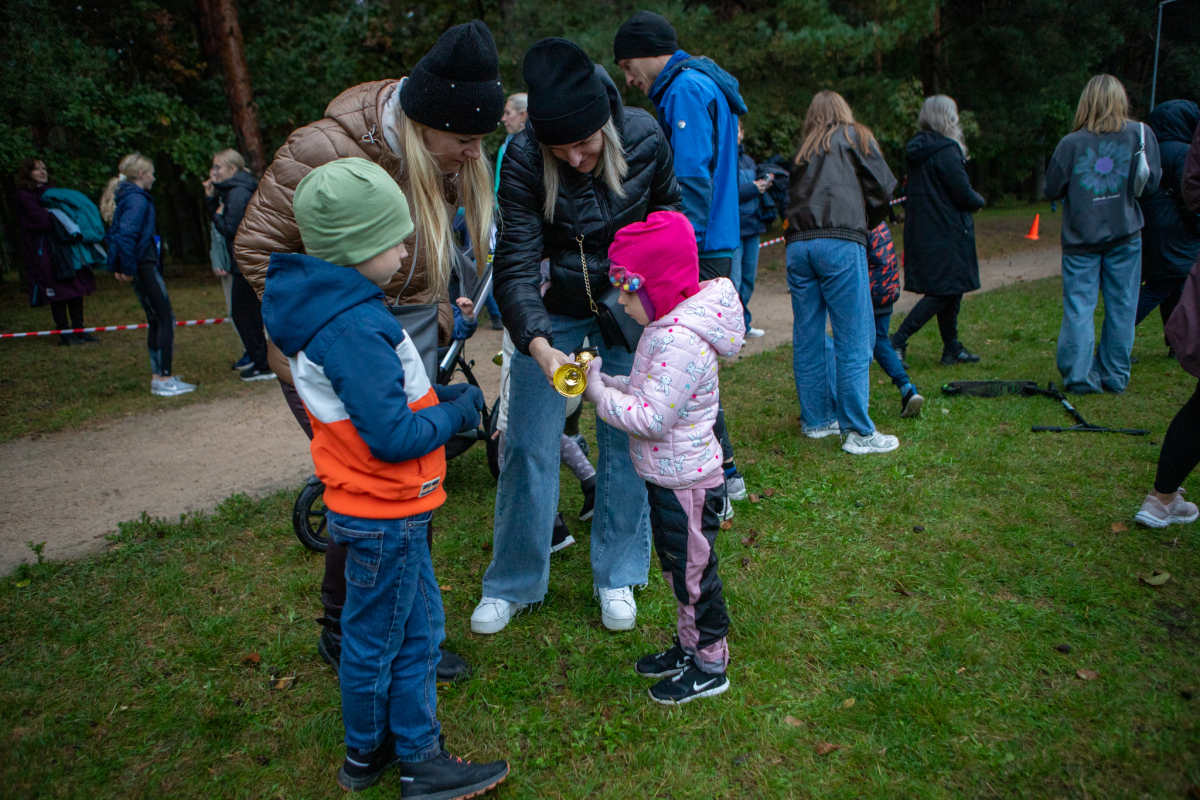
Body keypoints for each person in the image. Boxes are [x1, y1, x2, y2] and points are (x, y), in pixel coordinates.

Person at [236, 20, 505, 684]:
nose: (475, 156)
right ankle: (349, 628)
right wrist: (341, 331)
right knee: (367, 497)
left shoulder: (439, 155)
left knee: (410, 487)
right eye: (466, 140)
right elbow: (257, 248)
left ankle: (405, 630)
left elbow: (421, 256)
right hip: (342, 343)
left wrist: (433, 312)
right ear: (425, 123)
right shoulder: (323, 149)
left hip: (400, 329)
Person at [262, 159, 508, 797]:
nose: (405, 251)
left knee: (402, 630)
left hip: (378, 509)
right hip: (385, 514)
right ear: (357, 248)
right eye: (395, 240)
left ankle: (369, 753)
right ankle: (415, 759)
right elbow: (394, 436)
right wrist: (455, 409)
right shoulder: (352, 329)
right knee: (391, 638)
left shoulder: (340, 309)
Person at [472, 37, 681, 635]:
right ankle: (512, 582)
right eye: (558, 149)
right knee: (529, 443)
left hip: (627, 307)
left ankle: (617, 574)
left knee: (624, 444)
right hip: (556, 315)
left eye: (584, 145)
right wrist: (537, 345)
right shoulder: (520, 157)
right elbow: (514, 263)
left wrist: (650, 302)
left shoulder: (644, 137)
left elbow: (671, 219)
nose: (574, 159)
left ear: (607, 129)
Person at [580, 210, 741, 704]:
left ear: (659, 285)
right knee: (678, 569)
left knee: (694, 576)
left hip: (687, 484)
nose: (622, 301)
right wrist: (610, 382)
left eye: (628, 289)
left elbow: (652, 417)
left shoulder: (679, 340)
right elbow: (652, 392)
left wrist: (597, 397)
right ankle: (689, 647)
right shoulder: (666, 325)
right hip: (668, 477)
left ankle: (711, 665)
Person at [614, 9, 750, 507]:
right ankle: (723, 472)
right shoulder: (693, 84)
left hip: (697, 246)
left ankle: (719, 478)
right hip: (712, 241)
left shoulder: (686, 89)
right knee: (692, 365)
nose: (628, 80)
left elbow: (691, 177)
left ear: (651, 52)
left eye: (628, 66)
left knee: (680, 363)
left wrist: (673, 251)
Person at [784, 90, 898, 454]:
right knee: (854, 334)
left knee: (808, 334)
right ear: (844, 111)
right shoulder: (855, 136)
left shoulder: (804, 150)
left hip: (798, 245)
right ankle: (858, 432)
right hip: (839, 240)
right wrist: (867, 222)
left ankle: (817, 420)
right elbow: (883, 186)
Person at [1044, 74, 1162, 395]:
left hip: (1081, 240)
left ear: (1086, 102)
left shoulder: (1071, 144)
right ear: (1120, 99)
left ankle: (1080, 376)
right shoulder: (1141, 134)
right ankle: (1114, 376)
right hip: (1125, 236)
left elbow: (1051, 188)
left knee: (1080, 306)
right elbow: (1151, 186)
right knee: (1123, 305)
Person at [1136, 116, 1200, 530]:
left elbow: (1192, 187)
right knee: (1161, 289)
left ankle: (1161, 499)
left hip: (1159, 238)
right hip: (1173, 239)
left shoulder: (1159, 143)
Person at [890, 95, 987, 367]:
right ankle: (897, 340)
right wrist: (979, 201)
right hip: (947, 232)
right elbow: (962, 192)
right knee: (943, 292)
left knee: (951, 289)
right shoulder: (946, 151)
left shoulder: (918, 150)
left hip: (924, 230)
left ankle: (951, 348)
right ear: (949, 118)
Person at [100, 153, 195, 397]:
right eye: (151, 173)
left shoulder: (129, 198)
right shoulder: (137, 200)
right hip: (144, 266)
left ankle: (159, 376)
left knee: (156, 318)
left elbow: (118, 235)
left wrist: (121, 266)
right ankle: (164, 377)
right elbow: (125, 236)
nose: (154, 177)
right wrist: (127, 268)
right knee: (165, 318)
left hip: (141, 265)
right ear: (141, 175)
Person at [204, 149, 273, 381]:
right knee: (248, 312)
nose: (213, 173)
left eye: (218, 168)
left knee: (243, 313)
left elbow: (231, 230)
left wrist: (211, 206)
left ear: (232, 170)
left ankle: (263, 363)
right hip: (249, 258)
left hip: (246, 259)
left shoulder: (237, 192)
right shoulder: (239, 189)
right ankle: (261, 360)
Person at [14, 158, 98, 346]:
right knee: (58, 291)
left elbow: (70, 212)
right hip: (46, 251)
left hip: (66, 248)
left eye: (44, 168)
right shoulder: (24, 196)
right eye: (37, 169)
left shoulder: (53, 193)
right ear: (28, 173)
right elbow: (43, 220)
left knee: (76, 288)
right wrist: (57, 216)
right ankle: (65, 333)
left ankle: (80, 330)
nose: (43, 172)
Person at [1135, 100, 1200, 338]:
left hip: (1150, 228)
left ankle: (1177, 342)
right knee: (1160, 287)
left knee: (1174, 285)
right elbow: (1190, 196)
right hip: (1176, 232)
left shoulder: (1147, 151)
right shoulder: (1183, 151)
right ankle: (1115, 336)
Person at [482, 92, 529, 330]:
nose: (503, 118)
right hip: (500, 218)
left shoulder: (535, 145)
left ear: (524, 115)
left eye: (508, 112)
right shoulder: (504, 146)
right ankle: (501, 314)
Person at [868, 222, 924, 417]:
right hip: (886, 289)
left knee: (858, 344)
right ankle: (907, 389)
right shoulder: (879, 221)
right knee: (879, 341)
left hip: (871, 291)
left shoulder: (858, 219)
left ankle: (849, 401)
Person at [733, 118, 769, 338]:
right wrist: (754, 188)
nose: (736, 134)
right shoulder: (723, 160)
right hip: (734, 231)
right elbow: (729, 194)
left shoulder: (749, 161)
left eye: (738, 130)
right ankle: (734, 331)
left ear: (743, 133)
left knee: (748, 280)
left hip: (753, 228)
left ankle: (744, 324)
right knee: (734, 282)